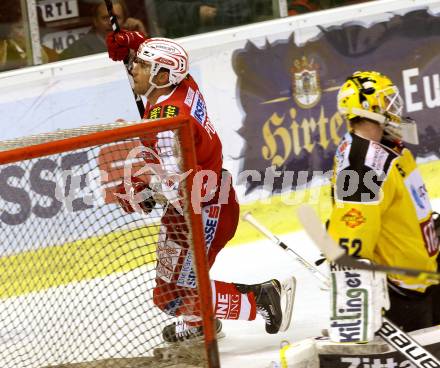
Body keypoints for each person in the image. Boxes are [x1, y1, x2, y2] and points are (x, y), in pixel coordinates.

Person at [105, 30, 295, 342]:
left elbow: (173, 187)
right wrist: (133, 43)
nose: (132, 68)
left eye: (139, 64)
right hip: (214, 199)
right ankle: (197, 324)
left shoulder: (167, 122)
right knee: (183, 278)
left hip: (198, 211)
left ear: (162, 75)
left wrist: (139, 190)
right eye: (135, 62)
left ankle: (260, 298)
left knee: (171, 295)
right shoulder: (183, 84)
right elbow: (165, 60)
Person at [327, 70, 440, 340]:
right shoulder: (361, 165)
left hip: (425, 279)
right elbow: (350, 236)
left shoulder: (391, 150)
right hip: (402, 295)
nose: (395, 109)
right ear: (369, 109)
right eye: (388, 102)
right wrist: (355, 301)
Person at [59, 0, 147, 60]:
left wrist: (143, 36)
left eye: (116, 18)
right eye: (105, 18)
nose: (111, 23)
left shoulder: (132, 42)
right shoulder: (76, 50)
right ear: (95, 21)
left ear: (125, 20)